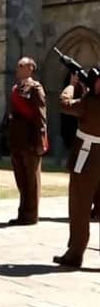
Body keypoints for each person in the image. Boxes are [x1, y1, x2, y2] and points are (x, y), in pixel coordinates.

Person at [53, 67, 100, 268]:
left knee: (79, 207)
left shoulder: (89, 103)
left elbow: (63, 104)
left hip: (87, 158)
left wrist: (72, 86)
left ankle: (75, 253)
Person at [7, 57, 48, 225]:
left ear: (30, 68)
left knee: (31, 180)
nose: (17, 69)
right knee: (21, 179)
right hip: (17, 139)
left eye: (21, 66)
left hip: (30, 139)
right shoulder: (16, 88)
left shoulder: (35, 88)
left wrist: (40, 140)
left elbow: (40, 116)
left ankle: (31, 215)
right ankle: (23, 212)